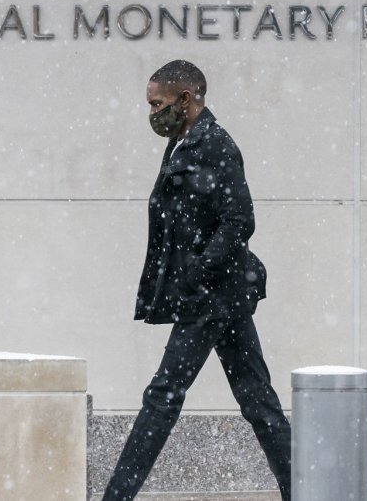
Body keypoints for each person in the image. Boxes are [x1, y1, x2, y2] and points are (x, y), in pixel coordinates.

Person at [101, 60, 292, 501]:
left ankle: (116, 497)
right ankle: (305, 489)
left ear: (186, 99)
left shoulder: (214, 145)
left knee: (163, 395)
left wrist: (200, 270)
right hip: (218, 292)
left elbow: (239, 218)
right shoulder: (183, 142)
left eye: (158, 104)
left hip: (213, 294)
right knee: (258, 402)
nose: (153, 113)